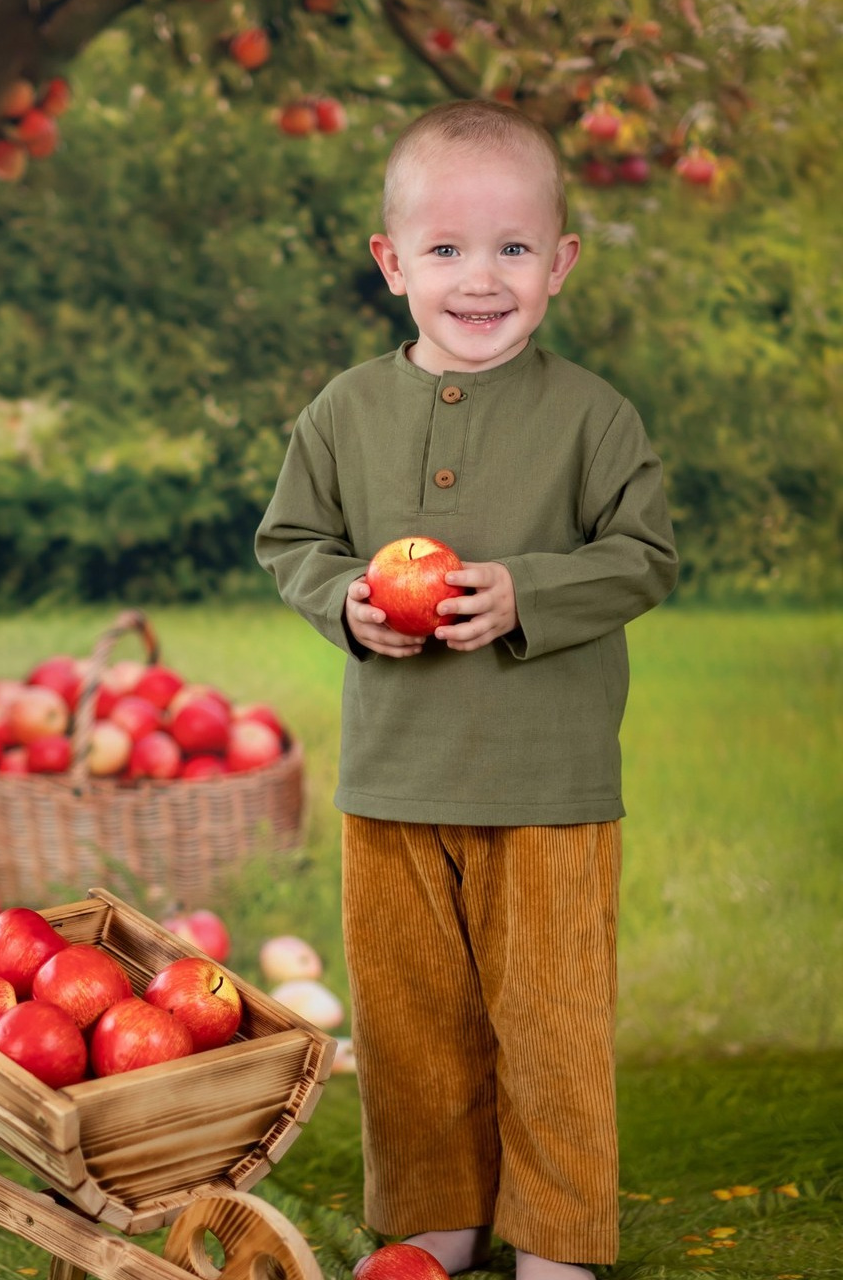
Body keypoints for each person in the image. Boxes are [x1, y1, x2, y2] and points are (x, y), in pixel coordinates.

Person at [254, 100, 678, 1280]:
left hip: (548, 786)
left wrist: (524, 593)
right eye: (444, 250)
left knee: (547, 1027)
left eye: (509, 248)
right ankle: (436, 1211)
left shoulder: (591, 415)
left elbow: (642, 554)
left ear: (558, 264)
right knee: (410, 1025)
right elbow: (290, 538)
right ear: (392, 263)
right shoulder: (341, 411)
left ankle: (553, 1234)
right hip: (392, 782)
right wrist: (341, 595)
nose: (477, 279)